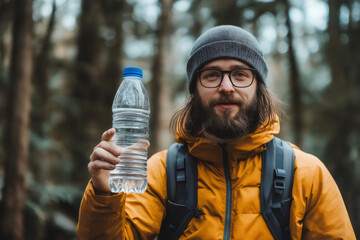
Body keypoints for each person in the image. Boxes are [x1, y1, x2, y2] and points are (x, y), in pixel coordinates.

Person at [76, 25, 356, 239]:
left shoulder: (307, 175)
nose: (226, 86)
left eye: (240, 74)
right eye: (211, 74)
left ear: (259, 88)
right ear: (194, 91)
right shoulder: (160, 173)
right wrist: (103, 193)